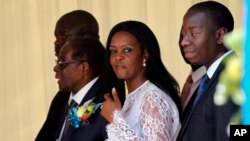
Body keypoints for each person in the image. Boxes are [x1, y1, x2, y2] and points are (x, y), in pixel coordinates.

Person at [36, 10, 125, 141]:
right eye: (56, 37)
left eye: (63, 36)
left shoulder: (109, 87)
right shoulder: (64, 96)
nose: (57, 43)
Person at [100, 20, 181, 141]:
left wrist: (116, 119)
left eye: (127, 50)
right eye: (113, 51)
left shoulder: (153, 98)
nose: (118, 57)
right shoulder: (135, 97)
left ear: (145, 54)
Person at [176, 1, 239, 141]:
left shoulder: (231, 80)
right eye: (184, 34)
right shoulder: (209, 79)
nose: (184, 42)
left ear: (220, 35)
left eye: (193, 33)